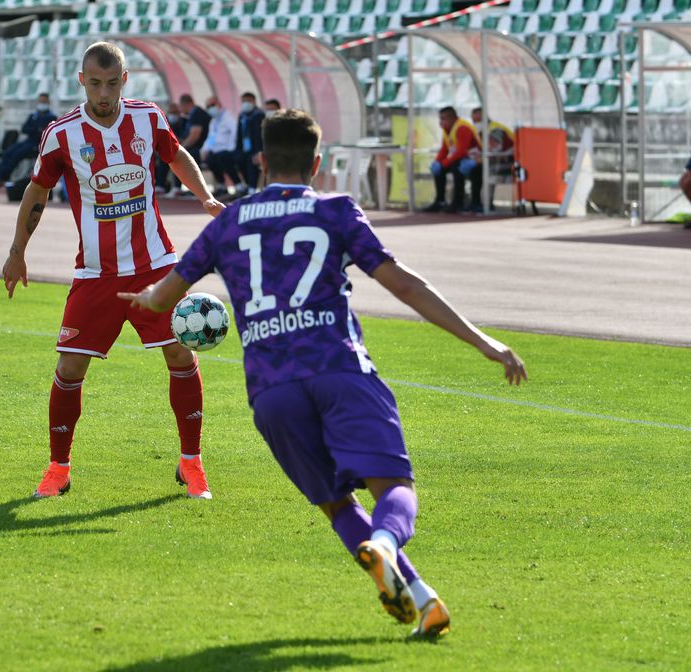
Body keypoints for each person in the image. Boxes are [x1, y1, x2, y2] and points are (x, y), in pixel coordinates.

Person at [121, 107, 527, 641]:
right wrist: (482, 340)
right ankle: (387, 543)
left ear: (261, 161)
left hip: (271, 391)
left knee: (337, 504)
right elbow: (403, 283)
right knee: (395, 490)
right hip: (339, 368)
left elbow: (164, 296)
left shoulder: (226, 224)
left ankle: (423, 599)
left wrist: (146, 298)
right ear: (317, 162)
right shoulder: (335, 211)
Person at [0, 41, 225, 500]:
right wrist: (17, 250)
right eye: (96, 83)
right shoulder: (61, 134)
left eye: (113, 83)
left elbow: (176, 155)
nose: (104, 93)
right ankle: (58, 468)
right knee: (69, 367)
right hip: (96, 273)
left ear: (126, 81)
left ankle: (191, 464)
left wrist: (203, 195)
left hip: (156, 266)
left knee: (181, 356)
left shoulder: (148, 118)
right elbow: (37, 190)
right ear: (82, 81)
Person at [0, 93, 58, 189]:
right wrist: (36, 129)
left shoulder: (51, 117)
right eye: (40, 101)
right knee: (9, 151)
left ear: (48, 102)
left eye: (44, 101)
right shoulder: (33, 115)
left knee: (17, 154)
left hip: (38, 144)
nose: (42, 103)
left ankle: (1, 178)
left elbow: (44, 132)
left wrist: (34, 130)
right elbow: (24, 128)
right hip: (29, 140)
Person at [425, 105, 479, 213]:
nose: (441, 122)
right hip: (461, 159)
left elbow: (461, 151)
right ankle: (440, 201)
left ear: (452, 118)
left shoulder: (462, 127)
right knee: (440, 171)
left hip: (474, 160)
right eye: (440, 118)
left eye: (444, 118)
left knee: (456, 168)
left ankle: (458, 202)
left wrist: (443, 164)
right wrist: (437, 162)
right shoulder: (447, 129)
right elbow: (444, 149)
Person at [461, 106, 515, 214]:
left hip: (508, 162)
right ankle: (473, 202)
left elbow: (493, 153)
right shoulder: (482, 132)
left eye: (478, 120)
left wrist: (475, 161)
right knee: (472, 168)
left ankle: (482, 203)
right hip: (494, 162)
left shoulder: (495, 130)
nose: (475, 123)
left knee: (477, 169)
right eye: (474, 120)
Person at [166, 94, 211, 198]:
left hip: (201, 149)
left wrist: (181, 147)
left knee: (179, 155)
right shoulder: (191, 115)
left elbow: (194, 135)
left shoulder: (197, 113)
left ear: (185, 104)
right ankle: (174, 187)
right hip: (198, 148)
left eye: (180, 107)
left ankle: (188, 189)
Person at [202, 95, 241, 198]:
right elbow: (210, 137)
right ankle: (221, 186)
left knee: (223, 158)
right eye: (208, 106)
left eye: (212, 105)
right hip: (216, 150)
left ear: (219, 104)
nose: (210, 108)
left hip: (228, 149)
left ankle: (239, 186)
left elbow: (234, 132)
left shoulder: (227, 116)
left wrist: (230, 148)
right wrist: (205, 149)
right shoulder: (213, 121)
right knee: (210, 160)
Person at [236, 91, 264, 192]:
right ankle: (244, 185)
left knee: (251, 160)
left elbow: (259, 136)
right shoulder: (242, 116)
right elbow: (238, 135)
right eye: (244, 101)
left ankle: (252, 188)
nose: (246, 103)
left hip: (256, 149)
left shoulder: (259, 115)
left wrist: (259, 151)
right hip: (244, 147)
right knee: (237, 159)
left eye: (249, 101)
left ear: (254, 102)